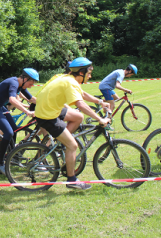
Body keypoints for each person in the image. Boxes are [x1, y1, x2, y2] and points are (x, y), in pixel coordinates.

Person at [35, 57, 110, 190]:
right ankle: (71, 180)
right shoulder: (70, 83)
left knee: (78, 117)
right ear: (81, 73)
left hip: (50, 109)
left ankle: (61, 141)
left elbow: (82, 94)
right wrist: (100, 119)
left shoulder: (66, 78)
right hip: (48, 116)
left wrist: (100, 102)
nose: (90, 76)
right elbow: (80, 103)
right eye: (89, 72)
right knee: (73, 145)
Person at [0, 68, 38, 174]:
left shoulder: (20, 85)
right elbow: (12, 100)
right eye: (31, 83)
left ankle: (11, 157)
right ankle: (0, 163)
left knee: (14, 129)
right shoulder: (13, 82)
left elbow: (32, 99)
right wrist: (27, 111)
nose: (31, 86)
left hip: (0, 107)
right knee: (8, 132)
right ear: (25, 79)